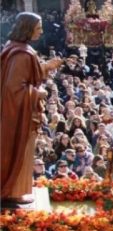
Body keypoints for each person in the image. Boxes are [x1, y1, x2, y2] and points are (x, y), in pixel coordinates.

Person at [1, 12, 63, 206]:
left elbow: (26, 75)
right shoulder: (22, 54)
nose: (41, 31)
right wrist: (39, 94)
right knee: (20, 151)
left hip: (19, 114)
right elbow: (14, 89)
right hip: (17, 117)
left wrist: (46, 67)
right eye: (38, 28)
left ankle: (15, 190)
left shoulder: (18, 49)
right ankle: (12, 191)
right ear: (27, 29)